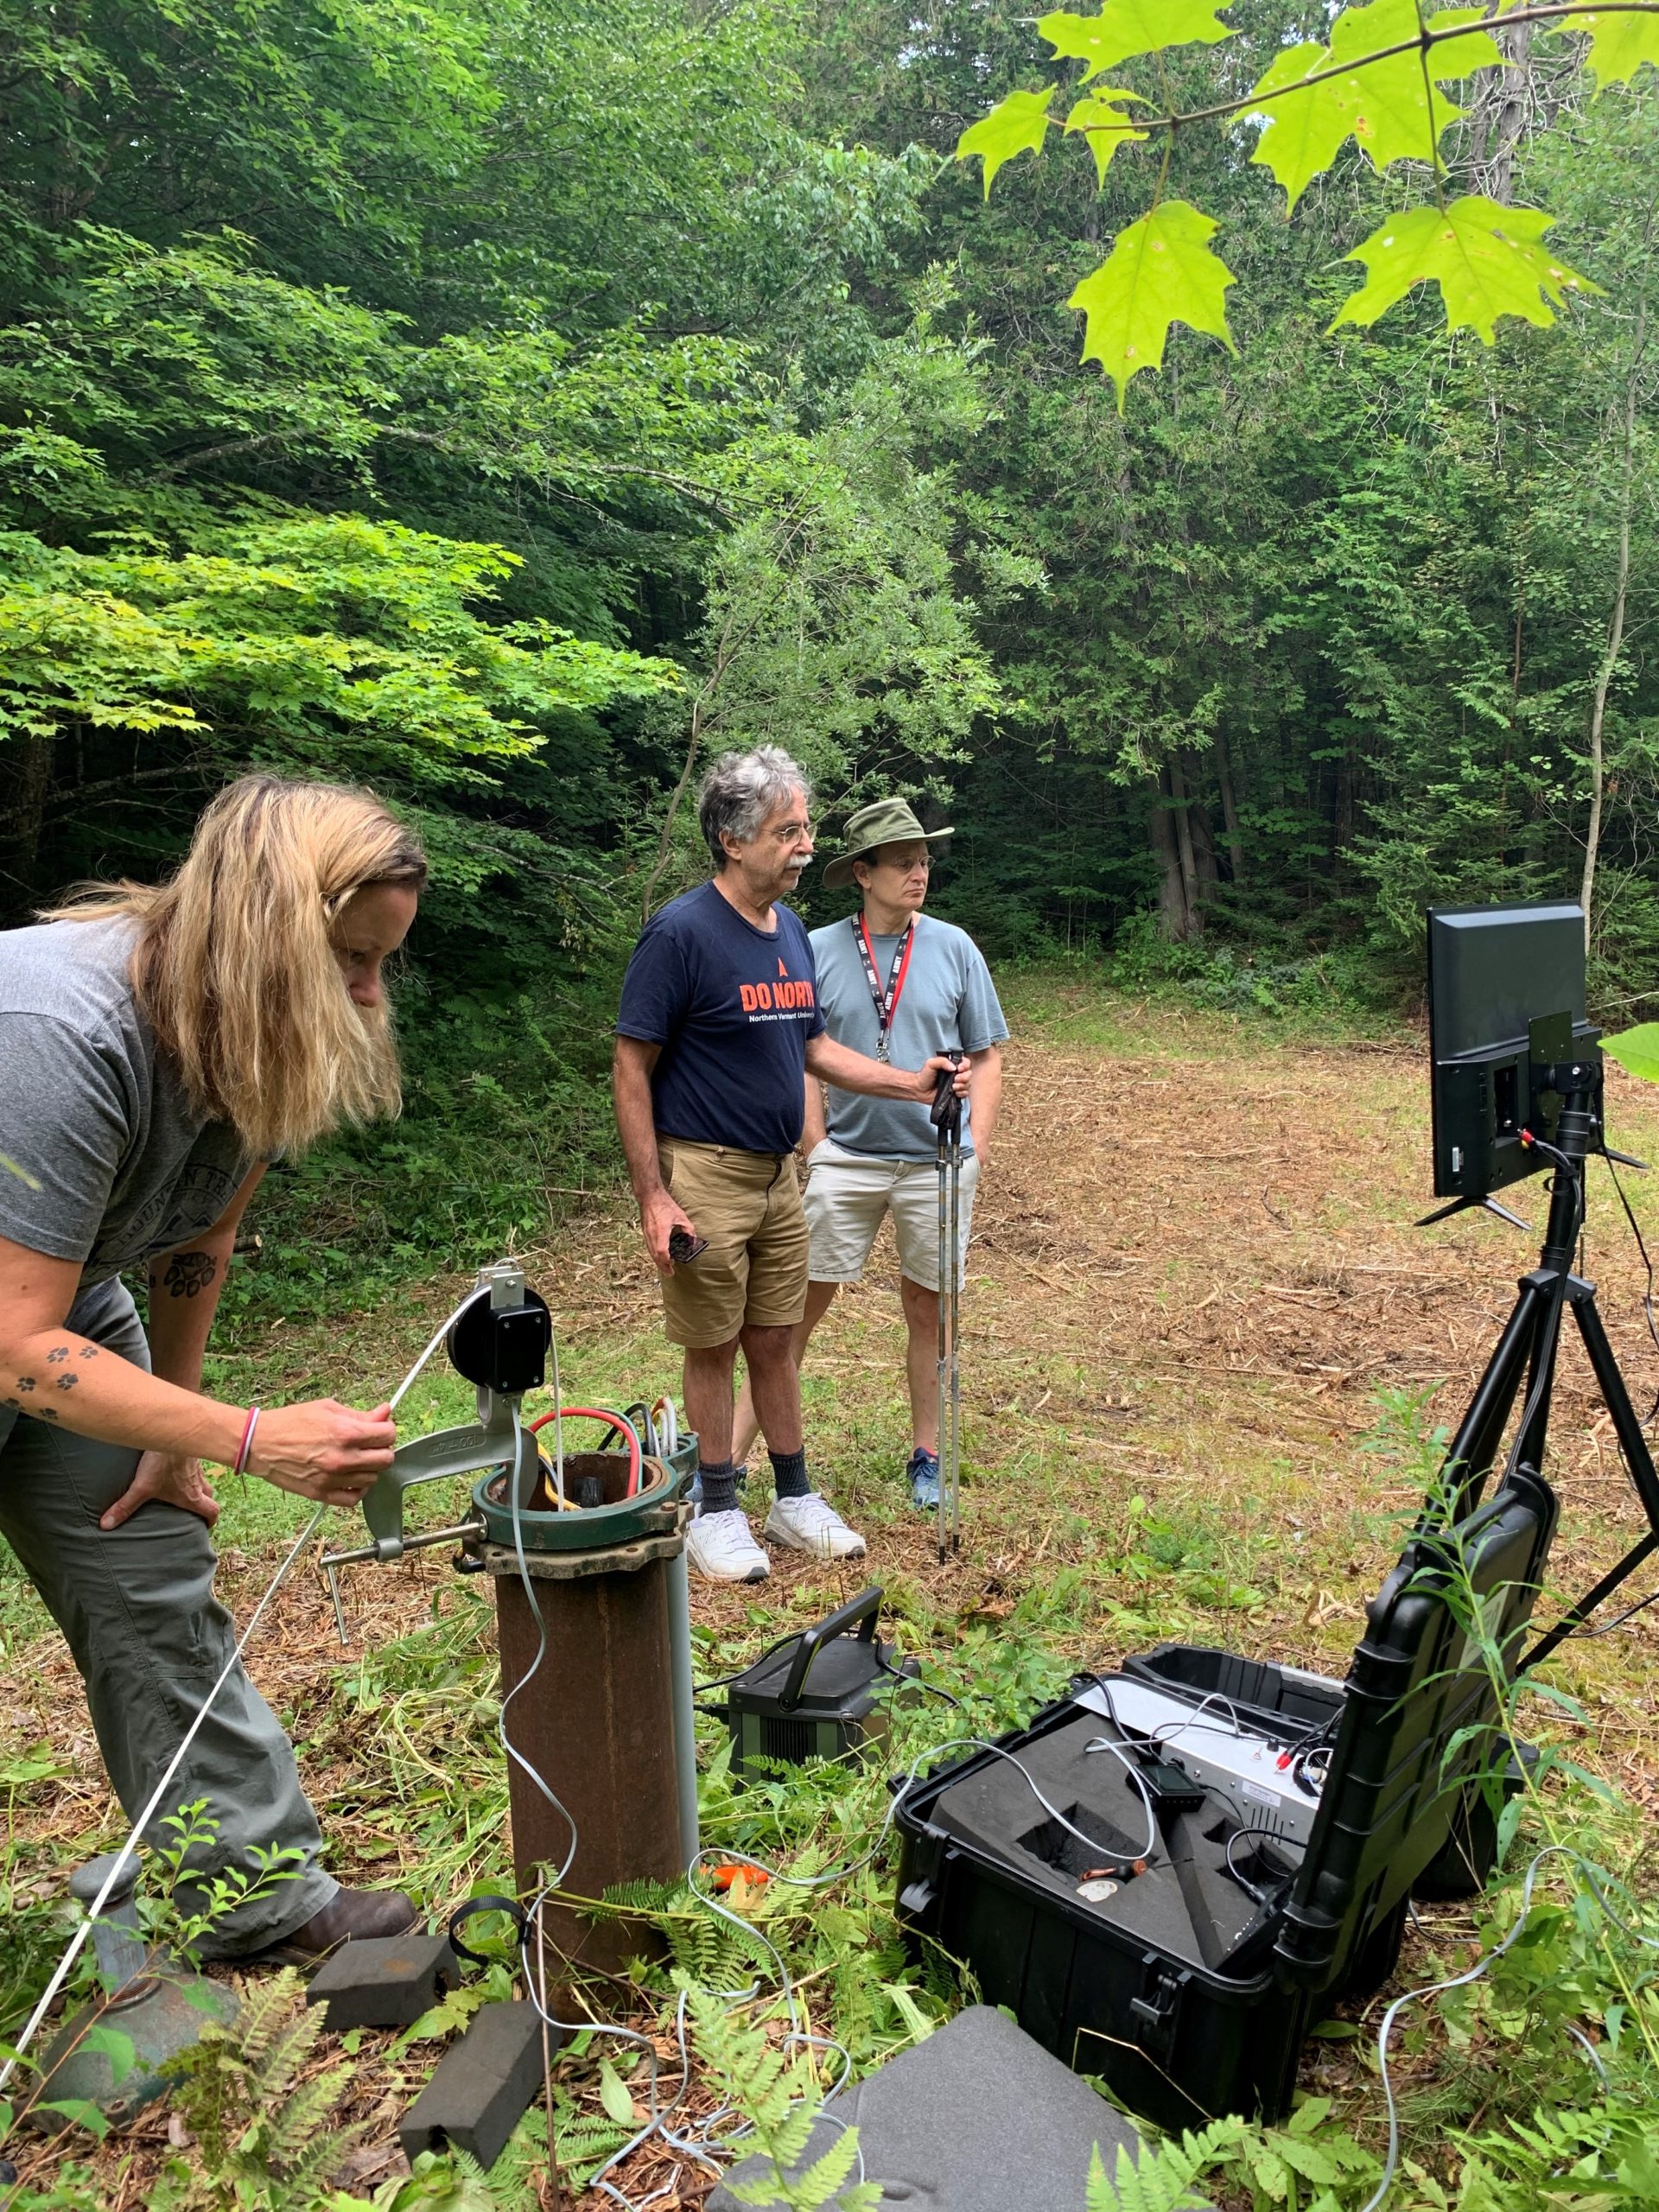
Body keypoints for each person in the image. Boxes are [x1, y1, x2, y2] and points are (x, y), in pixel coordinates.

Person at [0, 776, 426, 1962]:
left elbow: (201, 1238)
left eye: (382, 962)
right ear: (271, 929)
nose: (368, 993)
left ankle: (255, 1898)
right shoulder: (58, 1032)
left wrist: (169, 1429)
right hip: (17, 1315)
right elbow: (11, 1340)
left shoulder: (251, 1034)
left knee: (151, 1573)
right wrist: (243, 1436)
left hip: (61, 1296)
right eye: (352, 955)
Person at [613, 748, 969, 1584]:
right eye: (789, 831)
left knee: (774, 1339)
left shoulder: (791, 938)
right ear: (734, 842)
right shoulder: (682, 933)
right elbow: (632, 1067)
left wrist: (911, 1085)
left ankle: (793, 1495)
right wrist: (654, 1197)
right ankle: (715, 1507)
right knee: (713, 1345)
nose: (805, 845)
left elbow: (811, 1047)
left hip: (778, 1177)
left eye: (806, 828)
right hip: (703, 1172)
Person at [733, 798, 1007, 1509]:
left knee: (930, 1309)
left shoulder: (954, 946)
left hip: (936, 1162)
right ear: (863, 872)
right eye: (904, 862)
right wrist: (816, 1144)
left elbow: (987, 1050)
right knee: (792, 1312)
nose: (920, 874)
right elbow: (797, 1053)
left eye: (924, 862)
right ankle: (726, 1462)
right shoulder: (813, 947)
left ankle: (929, 1455)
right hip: (847, 1158)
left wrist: (977, 1143)